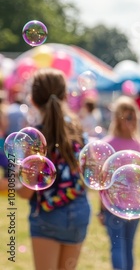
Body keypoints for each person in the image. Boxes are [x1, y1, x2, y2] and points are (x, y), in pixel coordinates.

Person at [16, 68, 90, 270]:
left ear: (32, 99)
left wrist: (11, 184)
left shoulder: (33, 138)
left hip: (48, 215)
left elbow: (26, 192)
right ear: (66, 96)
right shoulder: (78, 131)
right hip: (80, 210)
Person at [99, 96, 140, 270]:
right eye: (126, 117)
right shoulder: (109, 144)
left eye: (132, 117)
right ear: (116, 119)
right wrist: (101, 209)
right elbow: (102, 182)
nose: (130, 121)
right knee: (118, 246)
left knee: (127, 247)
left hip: (135, 205)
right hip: (113, 205)